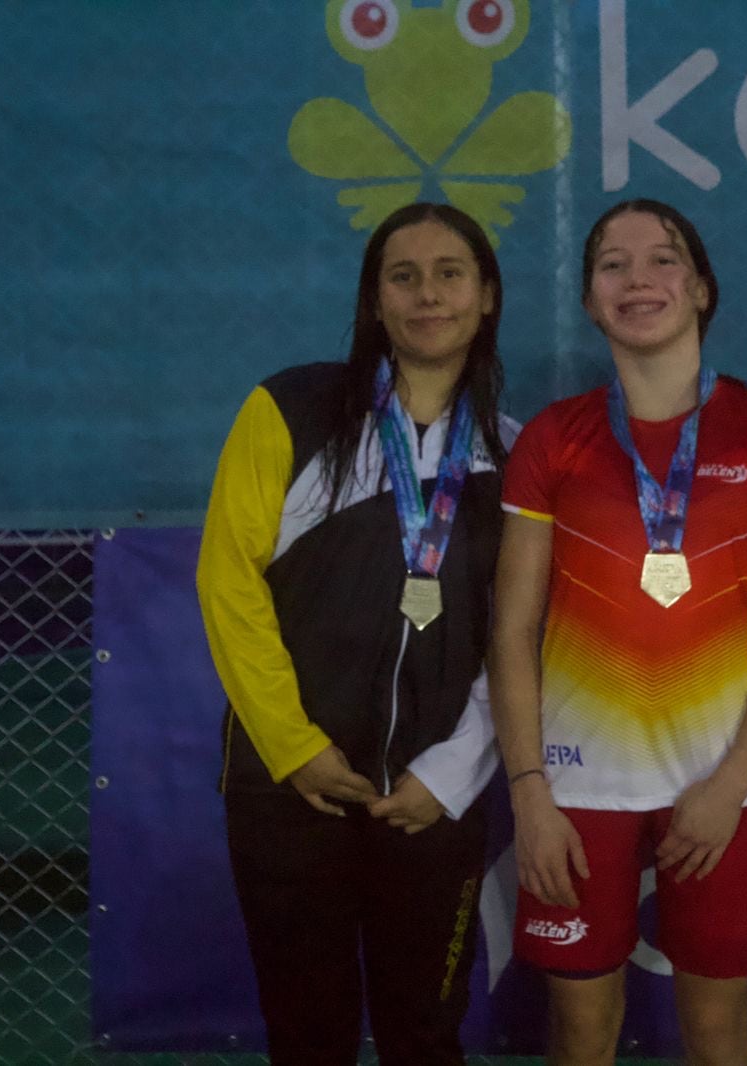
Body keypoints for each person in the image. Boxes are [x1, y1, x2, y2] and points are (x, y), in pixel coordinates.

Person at [490, 199, 747, 1066]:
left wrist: (731, 786)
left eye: (662, 259)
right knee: (580, 1038)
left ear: (703, 289)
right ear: (590, 300)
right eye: (612, 264)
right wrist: (530, 794)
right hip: (574, 793)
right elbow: (513, 628)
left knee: (719, 1039)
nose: (638, 278)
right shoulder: (552, 441)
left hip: (718, 788)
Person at [196, 202, 514, 1064]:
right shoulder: (289, 411)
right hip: (290, 789)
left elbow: (524, 642)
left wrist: (452, 774)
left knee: (425, 1031)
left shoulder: (516, 455)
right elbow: (227, 585)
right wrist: (293, 748)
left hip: (432, 799)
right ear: (374, 302)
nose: (428, 295)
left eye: (451, 273)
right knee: (307, 1035)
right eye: (402, 276)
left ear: (486, 295)